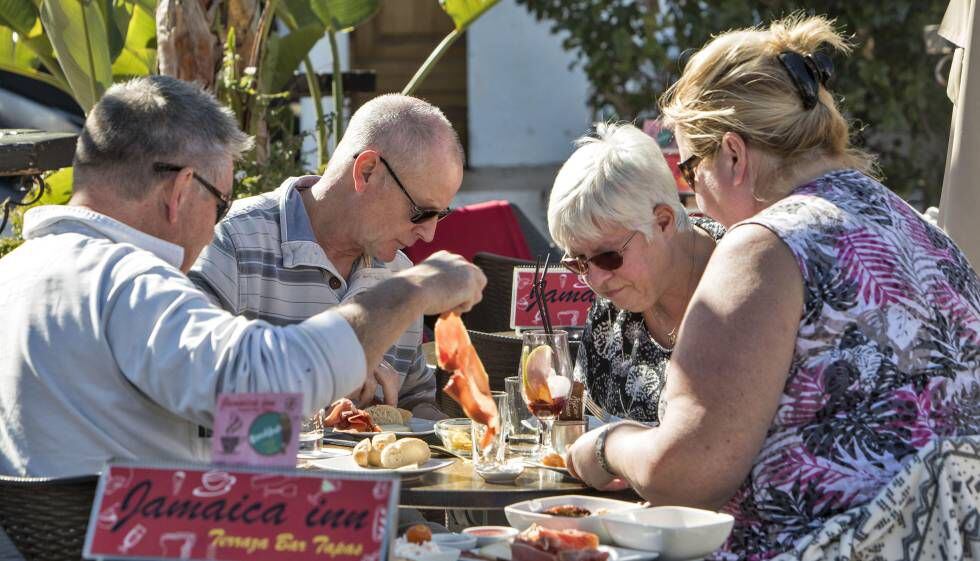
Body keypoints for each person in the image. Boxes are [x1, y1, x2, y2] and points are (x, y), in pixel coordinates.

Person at [565, 15, 980, 559]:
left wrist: (603, 445)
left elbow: (686, 472)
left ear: (733, 155)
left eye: (689, 171)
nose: (693, 197)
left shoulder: (765, 245)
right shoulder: (922, 231)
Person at [0, 76, 485, 478]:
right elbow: (257, 382)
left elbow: (222, 415)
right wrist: (411, 291)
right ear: (181, 190)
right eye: (222, 203)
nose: (217, 224)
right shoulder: (129, 282)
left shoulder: (16, 271)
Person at [189, 93, 462, 421]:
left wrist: (424, 417)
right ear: (367, 171)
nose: (429, 234)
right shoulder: (232, 241)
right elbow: (193, 389)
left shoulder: (400, 274)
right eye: (421, 212)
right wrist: (325, 378)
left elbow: (416, 397)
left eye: (440, 215)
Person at [547, 122, 723, 423]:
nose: (595, 280)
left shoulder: (741, 275)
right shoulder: (611, 306)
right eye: (578, 262)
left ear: (664, 222)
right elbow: (577, 419)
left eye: (608, 257)